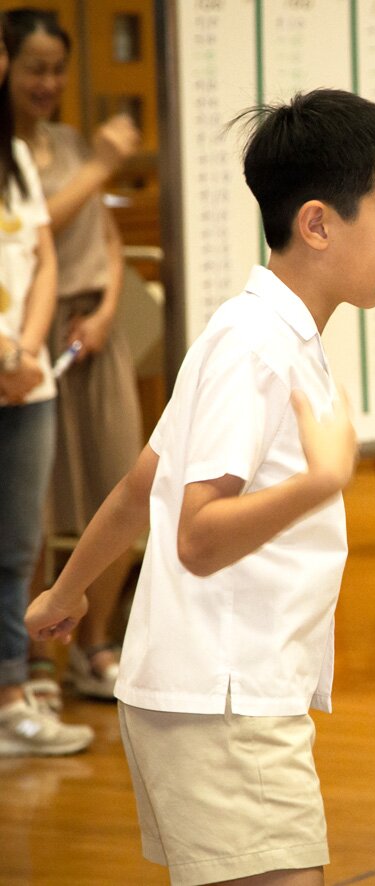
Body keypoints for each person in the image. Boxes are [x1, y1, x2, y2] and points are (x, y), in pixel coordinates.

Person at [26, 88, 375, 885]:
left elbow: (145, 480)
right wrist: (320, 483)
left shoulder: (263, 332)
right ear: (317, 223)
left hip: (219, 693)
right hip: (221, 702)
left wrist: (66, 590)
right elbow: (197, 535)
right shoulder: (254, 346)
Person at [5, 7, 143, 706]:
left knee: (123, 485)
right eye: (35, 67)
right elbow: (34, 230)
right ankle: (31, 660)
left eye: (58, 69)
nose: (48, 82)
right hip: (34, 338)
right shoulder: (18, 153)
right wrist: (102, 165)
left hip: (94, 330)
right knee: (33, 506)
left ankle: (95, 649)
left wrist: (110, 308)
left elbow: (107, 239)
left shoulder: (67, 139)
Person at [0, 11, 94, 757]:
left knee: (17, 544)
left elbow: (42, 261)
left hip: (24, 381)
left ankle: (11, 699)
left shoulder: (17, 159)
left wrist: (25, 350)